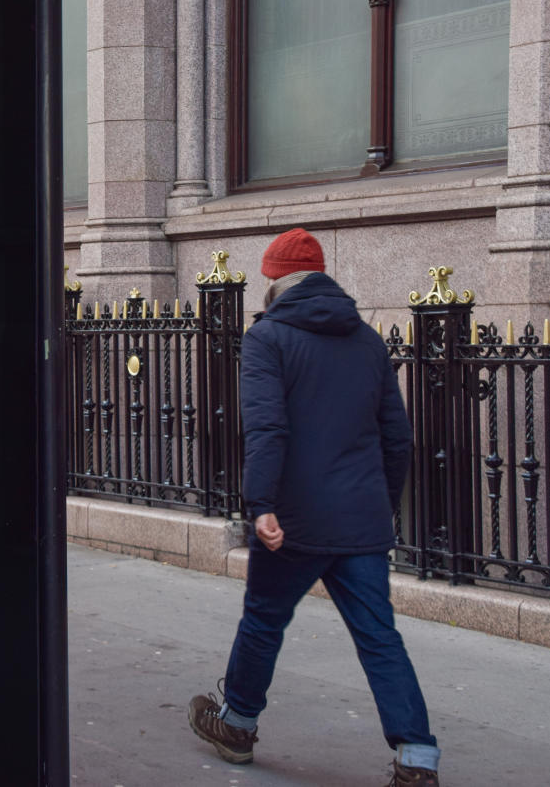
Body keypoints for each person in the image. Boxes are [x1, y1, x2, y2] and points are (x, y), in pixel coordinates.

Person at [187, 228, 442, 787]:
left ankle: (237, 725)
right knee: (379, 636)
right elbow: (396, 438)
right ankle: (416, 757)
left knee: (263, 621)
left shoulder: (268, 339)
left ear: (275, 280)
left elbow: (266, 428)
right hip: (361, 517)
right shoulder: (369, 341)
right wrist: (381, 504)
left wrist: (263, 504)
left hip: (294, 517)